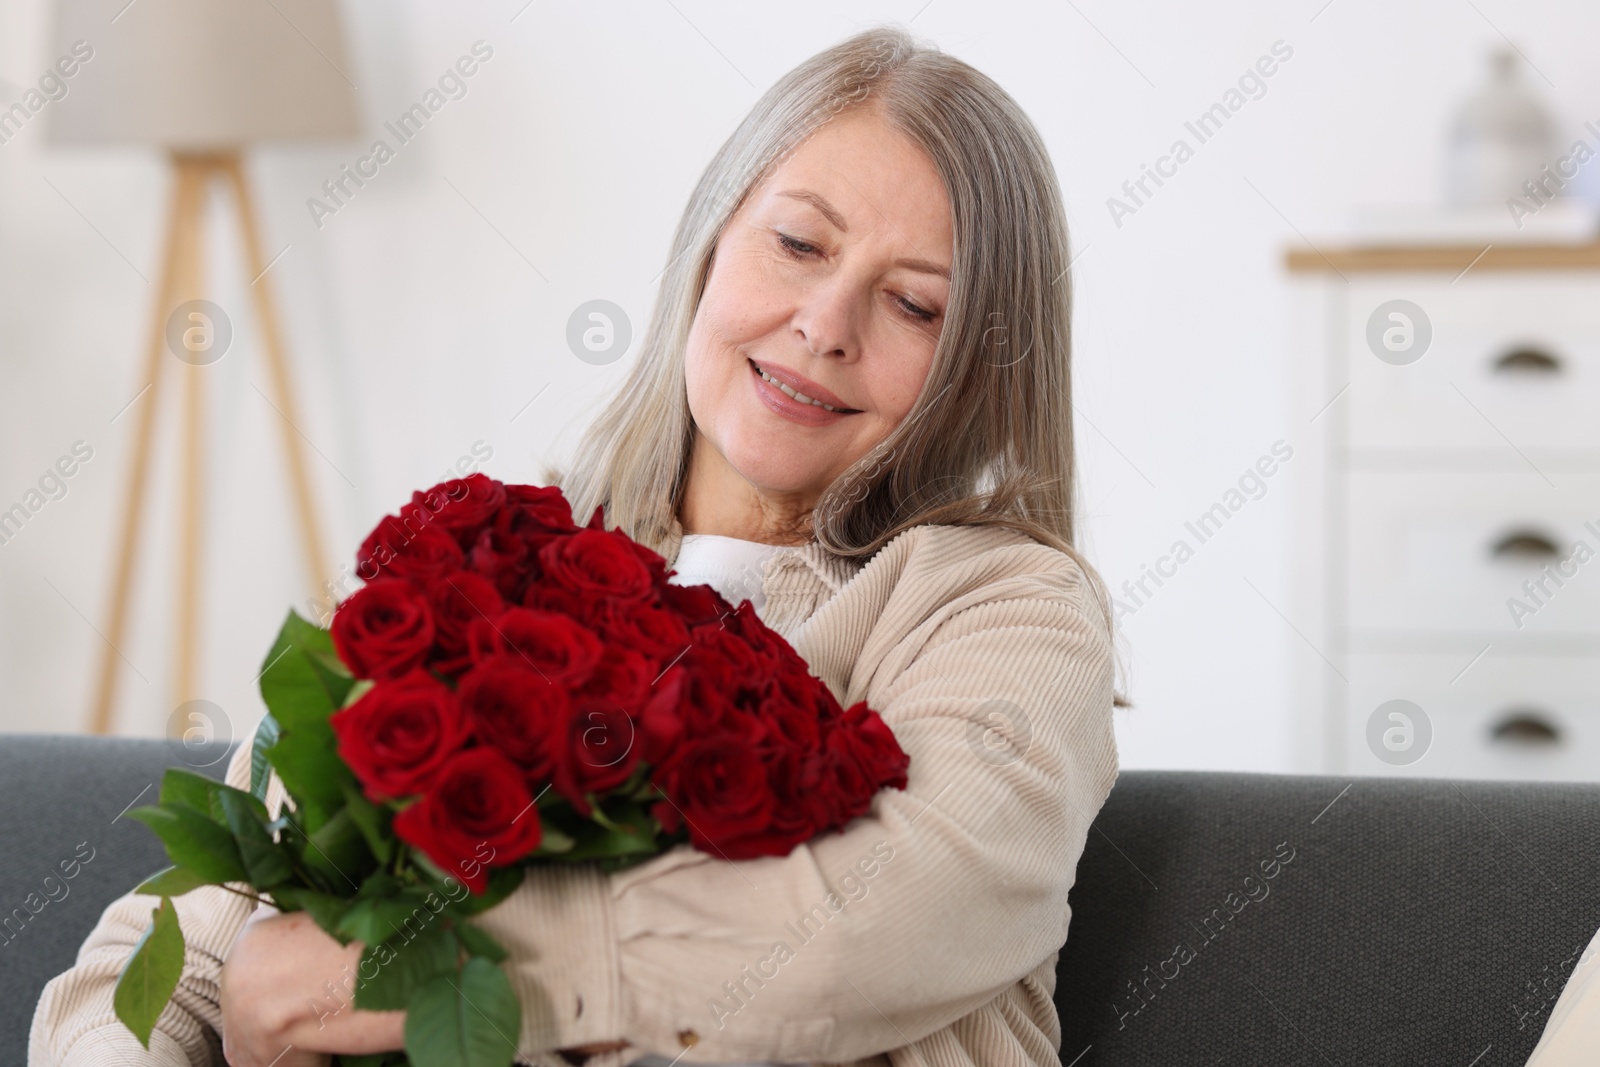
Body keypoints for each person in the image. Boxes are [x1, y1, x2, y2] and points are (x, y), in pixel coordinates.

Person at [31, 23, 1124, 1067]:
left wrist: (402, 968)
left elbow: (877, 918)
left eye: (913, 305)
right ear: (708, 238)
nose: (826, 322)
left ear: (984, 362)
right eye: (797, 243)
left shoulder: (1006, 605)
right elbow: (171, 960)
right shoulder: (484, 560)